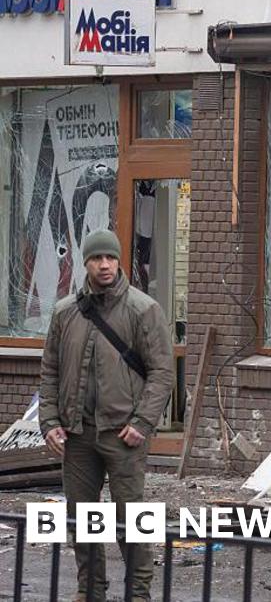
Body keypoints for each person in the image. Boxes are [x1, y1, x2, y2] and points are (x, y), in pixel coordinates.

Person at [39, 229, 175, 602]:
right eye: (97, 258)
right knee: (82, 519)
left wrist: (143, 423)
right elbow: (50, 369)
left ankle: (139, 593)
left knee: (129, 520)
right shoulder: (65, 312)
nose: (104, 265)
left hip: (123, 434)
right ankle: (90, 590)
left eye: (110, 258)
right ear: (86, 262)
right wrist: (49, 422)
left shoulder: (143, 309)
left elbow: (163, 373)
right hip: (77, 433)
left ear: (119, 261)